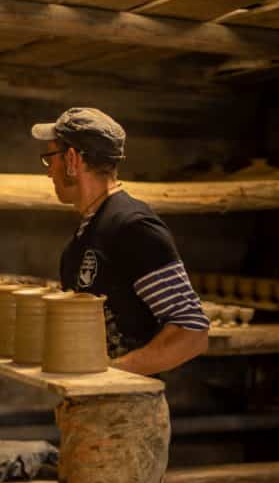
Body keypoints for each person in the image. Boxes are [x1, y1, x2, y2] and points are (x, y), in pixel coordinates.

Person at [31, 107, 210, 376]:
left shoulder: (133, 227)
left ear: (71, 160)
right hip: (89, 400)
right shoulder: (90, 230)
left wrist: (111, 375)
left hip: (127, 410)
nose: (49, 172)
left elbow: (192, 331)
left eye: (50, 159)